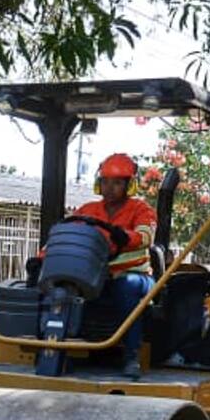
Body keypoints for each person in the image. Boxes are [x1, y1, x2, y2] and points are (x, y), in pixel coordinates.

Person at [74, 152, 156, 379]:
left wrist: (124, 237)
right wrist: (42, 258)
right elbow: (68, 236)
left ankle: (131, 356)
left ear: (129, 185)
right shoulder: (87, 210)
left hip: (136, 277)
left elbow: (146, 235)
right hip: (94, 277)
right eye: (106, 182)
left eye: (117, 183)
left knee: (126, 287)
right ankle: (59, 349)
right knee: (60, 287)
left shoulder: (141, 210)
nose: (110, 188)